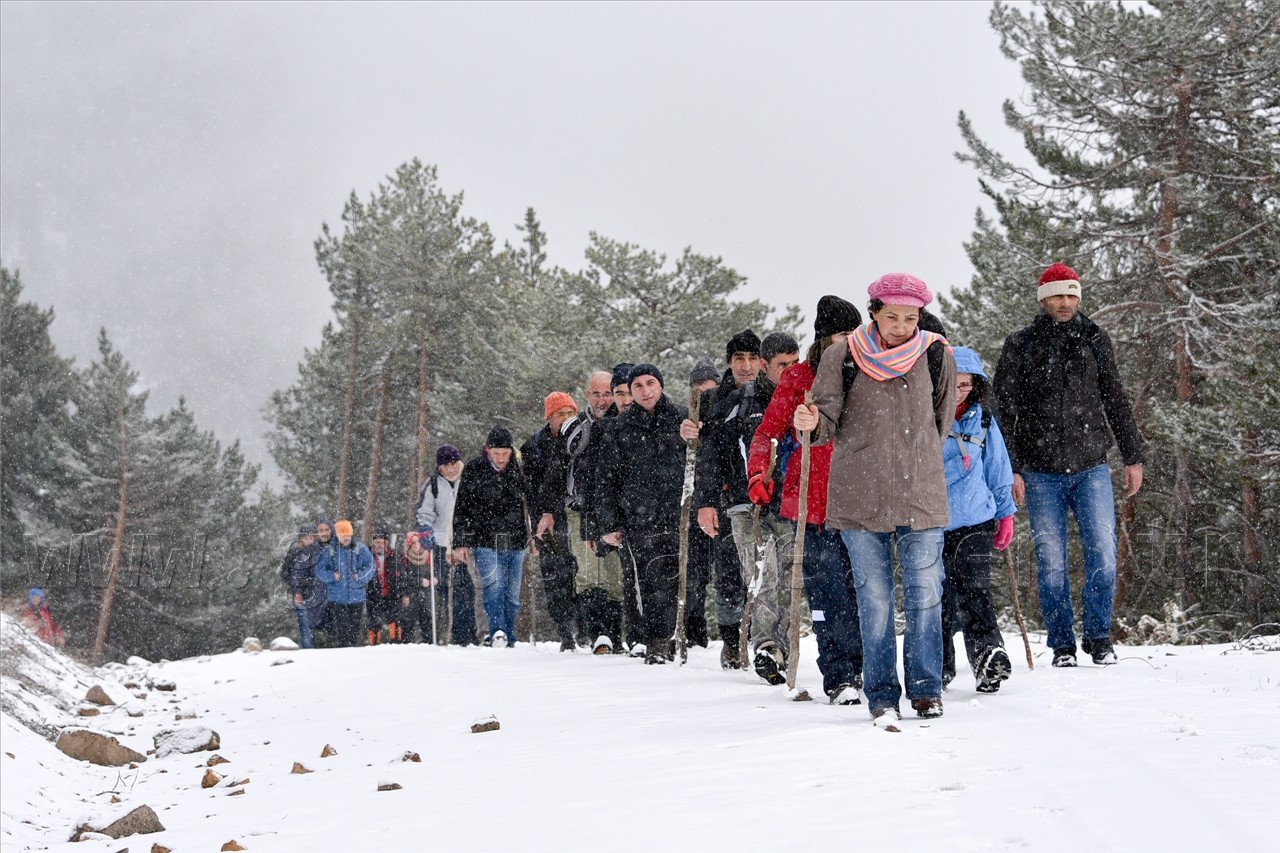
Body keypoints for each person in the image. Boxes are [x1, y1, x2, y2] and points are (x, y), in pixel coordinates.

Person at [799, 273, 956, 724]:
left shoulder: (934, 353)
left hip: (920, 494)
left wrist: (911, 456)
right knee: (875, 598)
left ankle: (926, 689)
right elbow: (825, 422)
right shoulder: (842, 354)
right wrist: (809, 423)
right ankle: (882, 693)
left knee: (926, 593)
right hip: (859, 496)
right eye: (893, 317)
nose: (902, 326)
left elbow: (939, 422)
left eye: (911, 318)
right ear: (874, 313)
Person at [992, 263, 1144, 667]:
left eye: (1071, 294)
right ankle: (1062, 644)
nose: (1065, 302)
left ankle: (1098, 637)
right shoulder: (1021, 344)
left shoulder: (1095, 339)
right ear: (1044, 299)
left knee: (1104, 554)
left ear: (1078, 297)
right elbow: (1003, 409)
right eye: (1057, 295)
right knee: (1052, 561)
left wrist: (1133, 456)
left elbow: (1115, 397)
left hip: (1092, 465)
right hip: (1040, 471)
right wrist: (1012, 467)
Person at [748, 295, 865, 704]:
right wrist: (759, 472)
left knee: (865, 590)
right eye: (840, 334)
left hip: (864, 501)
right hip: (812, 502)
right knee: (827, 590)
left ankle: (866, 666)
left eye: (854, 333)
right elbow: (767, 433)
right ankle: (840, 674)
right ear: (822, 338)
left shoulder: (870, 371)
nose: (848, 342)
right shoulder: (798, 379)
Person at [696, 331, 801, 683]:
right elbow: (710, 454)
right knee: (761, 575)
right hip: (746, 504)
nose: (788, 370)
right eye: (781, 365)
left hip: (790, 503)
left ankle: (785, 644)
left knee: (789, 577)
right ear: (763, 365)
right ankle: (766, 645)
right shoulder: (738, 401)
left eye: (793, 363)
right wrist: (706, 502)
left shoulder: (804, 399)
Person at [595, 363, 690, 664]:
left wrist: (696, 435)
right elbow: (605, 480)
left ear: (660, 385)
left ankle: (681, 637)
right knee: (649, 582)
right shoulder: (619, 428)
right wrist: (608, 523)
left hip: (679, 515)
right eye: (638, 386)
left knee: (683, 579)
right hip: (639, 519)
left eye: (651, 383)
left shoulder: (682, 418)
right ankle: (657, 642)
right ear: (630, 392)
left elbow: (703, 463)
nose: (646, 391)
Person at [941, 346, 1017, 692]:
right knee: (935, 598)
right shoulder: (924, 417)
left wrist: (1005, 515)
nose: (960, 391)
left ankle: (989, 658)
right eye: (953, 383)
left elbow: (998, 470)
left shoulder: (984, 420)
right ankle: (937, 664)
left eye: (966, 384)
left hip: (976, 520)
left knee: (975, 591)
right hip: (932, 524)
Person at [535, 374, 626, 654]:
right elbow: (555, 472)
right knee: (587, 573)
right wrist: (548, 511)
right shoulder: (575, 429)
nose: (602, 400)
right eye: (596, 394)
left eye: (607, 394)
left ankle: (614, 633)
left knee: (614, 576)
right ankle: (598, 632)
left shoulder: (622, 424)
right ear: (586, 395)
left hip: (615, 511)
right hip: (579, 510)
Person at [688, 329, 761, 668]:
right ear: (729, 363)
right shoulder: (714, 399)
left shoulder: (774, 393)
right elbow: (708, 455)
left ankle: (763, 638)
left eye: (751, 358)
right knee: (729, 573)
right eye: (738, 359)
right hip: (726, 496)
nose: (745, 366)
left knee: (765, 573)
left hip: (767, 499)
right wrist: (705, 502)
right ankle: (731, 640)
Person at [452, 426, 531, 648]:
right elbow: (462, 508)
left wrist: (533, 537)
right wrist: (461, 541)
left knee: (513, 593)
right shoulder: (474, 469)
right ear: (488, 451)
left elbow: (530, 505)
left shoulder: (520, 469)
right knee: (493, 585)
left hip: (516, 540)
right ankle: (497, 631)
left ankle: (509, 633)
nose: (501, 458)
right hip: (484, 539)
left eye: (505, 453)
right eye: (496, 453)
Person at [524, 393, 583, 650]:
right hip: (548, 519)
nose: (565, 418)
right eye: (560, 414)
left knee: (580, 573)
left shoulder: (582, 435)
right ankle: (565, 631)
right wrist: (538, 522)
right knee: (554, 575)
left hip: (577, 514)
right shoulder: (534, 446)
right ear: (549, 417)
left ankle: (585, 628)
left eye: (570, 412)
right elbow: (532, 491)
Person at [413, 443, 480, 645]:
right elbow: (423, 514)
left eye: (453, 463)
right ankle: (449, 636)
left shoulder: (470, 479)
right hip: (442, 546)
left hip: (467, 545)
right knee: (445, 591)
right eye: (445, 465)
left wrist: (471, 537)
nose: (450, 469)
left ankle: (470, 635)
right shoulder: (432, 485)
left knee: (468, 590)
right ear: (439, 468)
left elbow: (479, 510)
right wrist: (425, 531)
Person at [312, 520, 375, 648]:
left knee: (354, 631)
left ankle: (352, 655)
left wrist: (360, 576)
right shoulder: (330, 550)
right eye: (343, 535)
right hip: (337, 598)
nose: (346, 538)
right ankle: (344, 654)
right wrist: (332, 576)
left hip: (357, 597)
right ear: (338, 536)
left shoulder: (360, 549)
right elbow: (319, 570)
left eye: (348, 535)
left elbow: (371, 566)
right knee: (342, 631)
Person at [281, 524, 323, 649]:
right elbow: (285, 573)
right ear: (301, 539)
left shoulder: (320, 552)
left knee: (318, 626)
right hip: (301, 596)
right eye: (306, 538)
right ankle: (308, 653)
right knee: (305, 629)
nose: (309, 540)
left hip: (319, 595)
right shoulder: (295, 553)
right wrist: (297, 586)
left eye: (311, 538)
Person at [364, 529, 405, 645]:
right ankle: (374, 644)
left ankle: (396, 642)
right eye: (377, 542)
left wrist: (402, 592)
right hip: (373, 593)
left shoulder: (394, 555)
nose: (380, 545)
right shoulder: (367, 554)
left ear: (386, 543)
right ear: (373, 543)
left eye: (382, 542)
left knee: (395, 619)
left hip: (391, 593)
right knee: (374, 621)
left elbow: (401, 575)